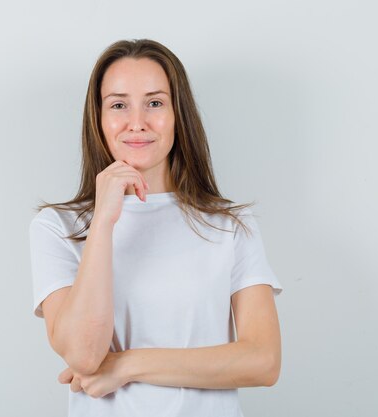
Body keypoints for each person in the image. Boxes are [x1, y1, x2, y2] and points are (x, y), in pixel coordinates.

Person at [29, 38, 283, 417]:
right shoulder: (58, 227)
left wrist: (126, 365)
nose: (137, 122)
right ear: (98, 118)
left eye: (155, 102)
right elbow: (84, 355)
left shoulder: (230, 225)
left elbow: (263, 361)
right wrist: (103, 222)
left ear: (178, 114)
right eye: (118, 104)